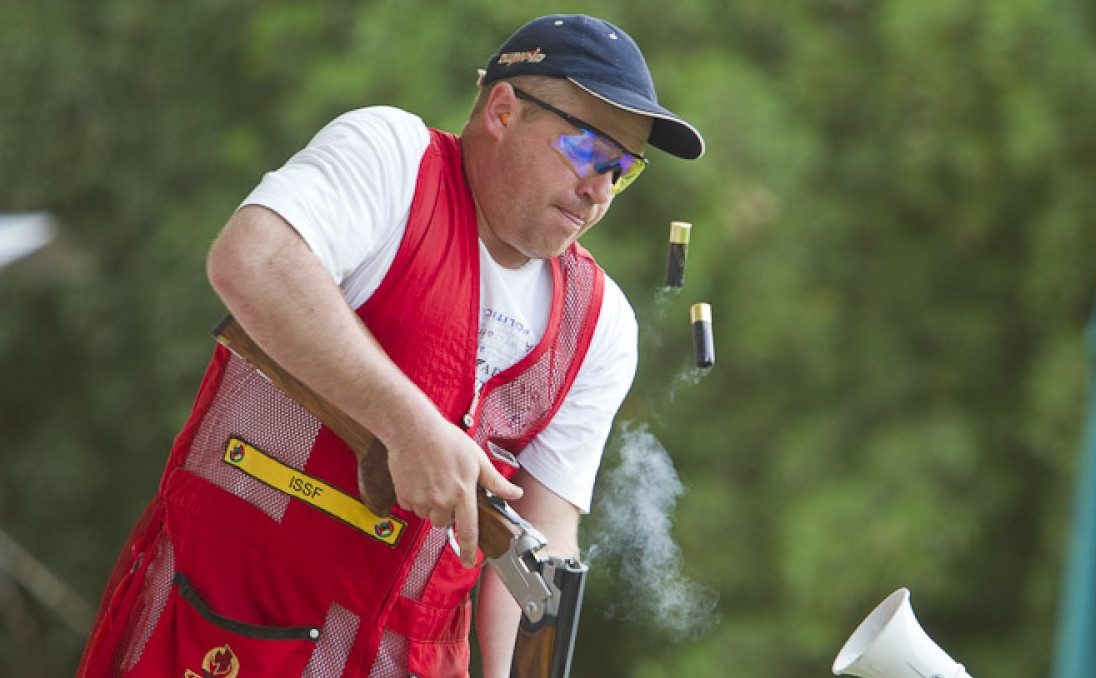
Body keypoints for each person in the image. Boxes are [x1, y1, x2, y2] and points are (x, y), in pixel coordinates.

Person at [75, 13, 703, 678]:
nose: (599, 189)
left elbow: (538, 549)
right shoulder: (394, 158)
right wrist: (410, 428)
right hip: (224, 625)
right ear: (502, 110)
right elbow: (249, 259)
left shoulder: (602, 324)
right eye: (585, 150)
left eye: (623, 170)